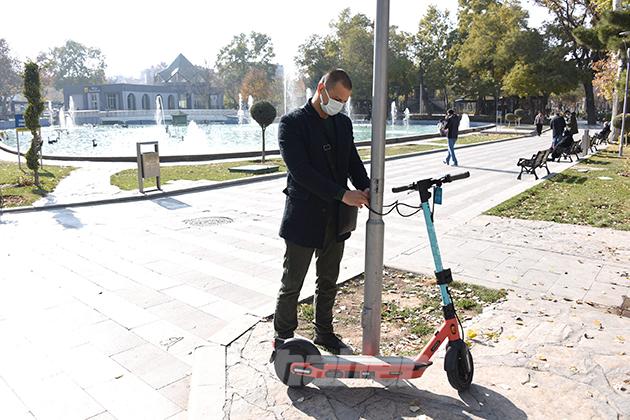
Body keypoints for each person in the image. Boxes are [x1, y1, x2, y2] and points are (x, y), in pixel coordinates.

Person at [273, 69, 370, 355]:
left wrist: (366, 187)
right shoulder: (292, 123)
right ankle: (283, 339)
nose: (339, 105)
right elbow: (301, 172)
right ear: (321, 89)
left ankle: (324, 333)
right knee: (292, 283)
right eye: (336, 98)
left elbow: (352, 161)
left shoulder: (343, 123)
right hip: (304, 217)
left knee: (328, 281)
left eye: (344, 101)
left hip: (336, 218)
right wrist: (343, 194)